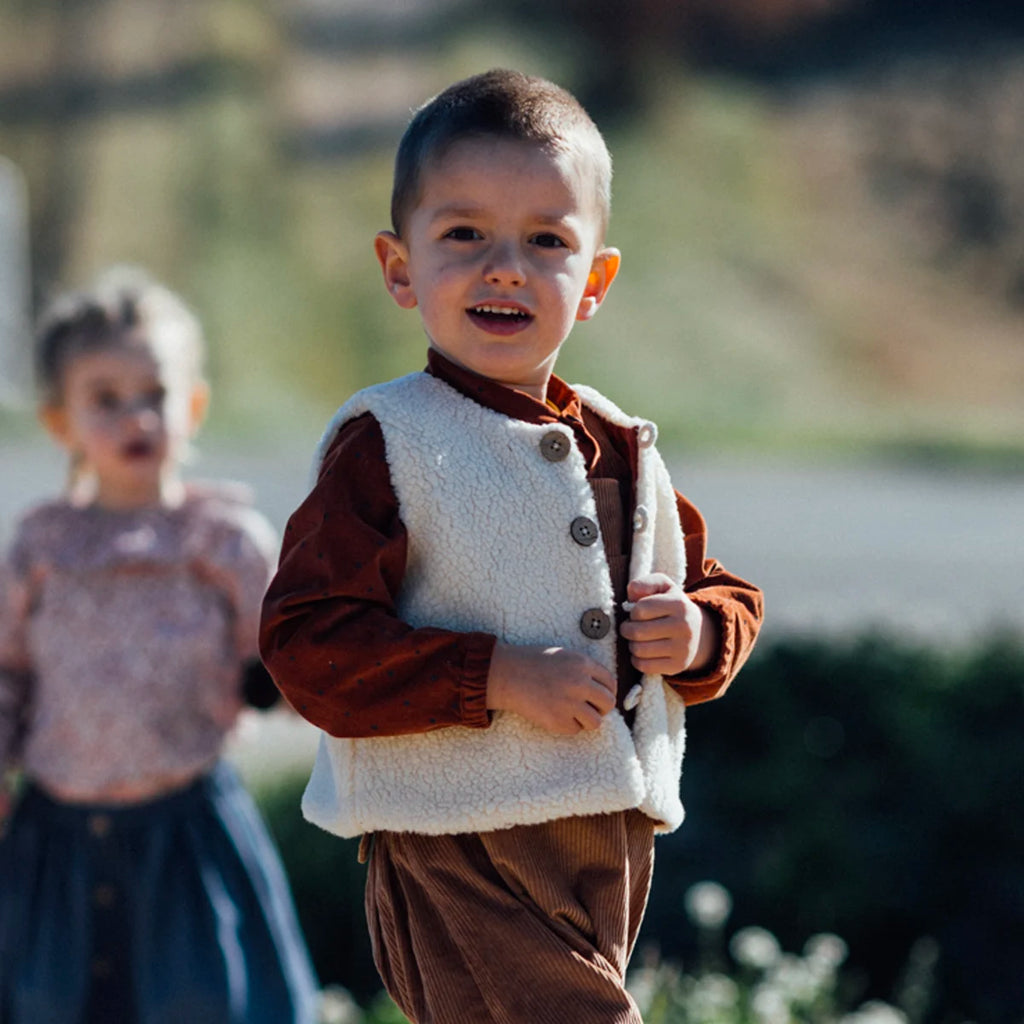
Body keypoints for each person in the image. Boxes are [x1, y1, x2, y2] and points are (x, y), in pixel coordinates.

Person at [260, 69, 764, 1024]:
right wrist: (488, 677)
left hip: (604, 834)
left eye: (546, 241)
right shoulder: (390, 443)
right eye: (463, 236)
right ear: (400, 268)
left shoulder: (620, 439)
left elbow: (723, 590)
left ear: (595, 281)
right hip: (457, 839)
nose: (505, 267)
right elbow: (306, 643)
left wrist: (696, 634)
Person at [0, 267, 319, 1023]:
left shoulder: (224, 542)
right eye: (105, 399)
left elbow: (282, 660)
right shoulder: (41, 547)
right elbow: (8, 672)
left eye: (155, 393)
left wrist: (293, 683)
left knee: (200, 1000)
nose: (135, 415)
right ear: (60, 423)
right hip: (57, 839)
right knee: (51, 1001)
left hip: (186, 829)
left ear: (195, 405)